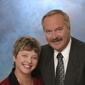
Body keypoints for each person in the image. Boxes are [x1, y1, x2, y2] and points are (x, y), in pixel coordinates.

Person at [38, 9, 85, 85]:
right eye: (49, 31)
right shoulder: (40, 54)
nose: (54, 37)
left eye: (59, 30)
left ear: (68, 28)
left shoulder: (83, 52)